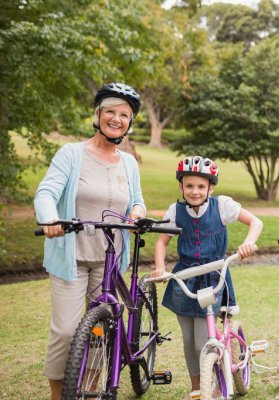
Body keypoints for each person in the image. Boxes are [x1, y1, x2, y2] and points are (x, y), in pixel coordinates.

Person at [34, 82, 146, 400]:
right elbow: (46, 192)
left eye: (124, 114)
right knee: (67, 332)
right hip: (72, 257)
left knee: (102, 331)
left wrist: (137, 213)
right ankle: (62, 393)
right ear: (97, 115)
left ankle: (91, 389)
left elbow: (137, 201)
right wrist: (49, 219)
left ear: (129, 122)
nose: (116, 118)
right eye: (110, 111)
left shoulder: (129, 162)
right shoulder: (72, 153)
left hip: (110, 259)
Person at [152, 155, 262, 400]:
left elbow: (255, 221)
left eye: (201, 186)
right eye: (189, 185)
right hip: (185, 276)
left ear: (211, 187)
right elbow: (161, 242)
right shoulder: (175, 211)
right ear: (181, 186)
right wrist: (160, 266)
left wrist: (248, 243)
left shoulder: (221, 206)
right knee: (189, 341)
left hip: (213, 276)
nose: (194, 191)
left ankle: (212, 387)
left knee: (204, 340)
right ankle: (197, 388)